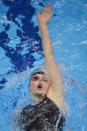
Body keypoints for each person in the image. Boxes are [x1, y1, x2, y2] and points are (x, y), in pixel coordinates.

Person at [18, 5, 65, 131]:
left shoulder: (55, 99)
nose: (40, 81)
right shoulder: (24, 112)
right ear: (29, 87)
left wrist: (43, 26)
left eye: (45, 80)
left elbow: (49, 57)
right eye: (36, 78)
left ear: (50, 87)